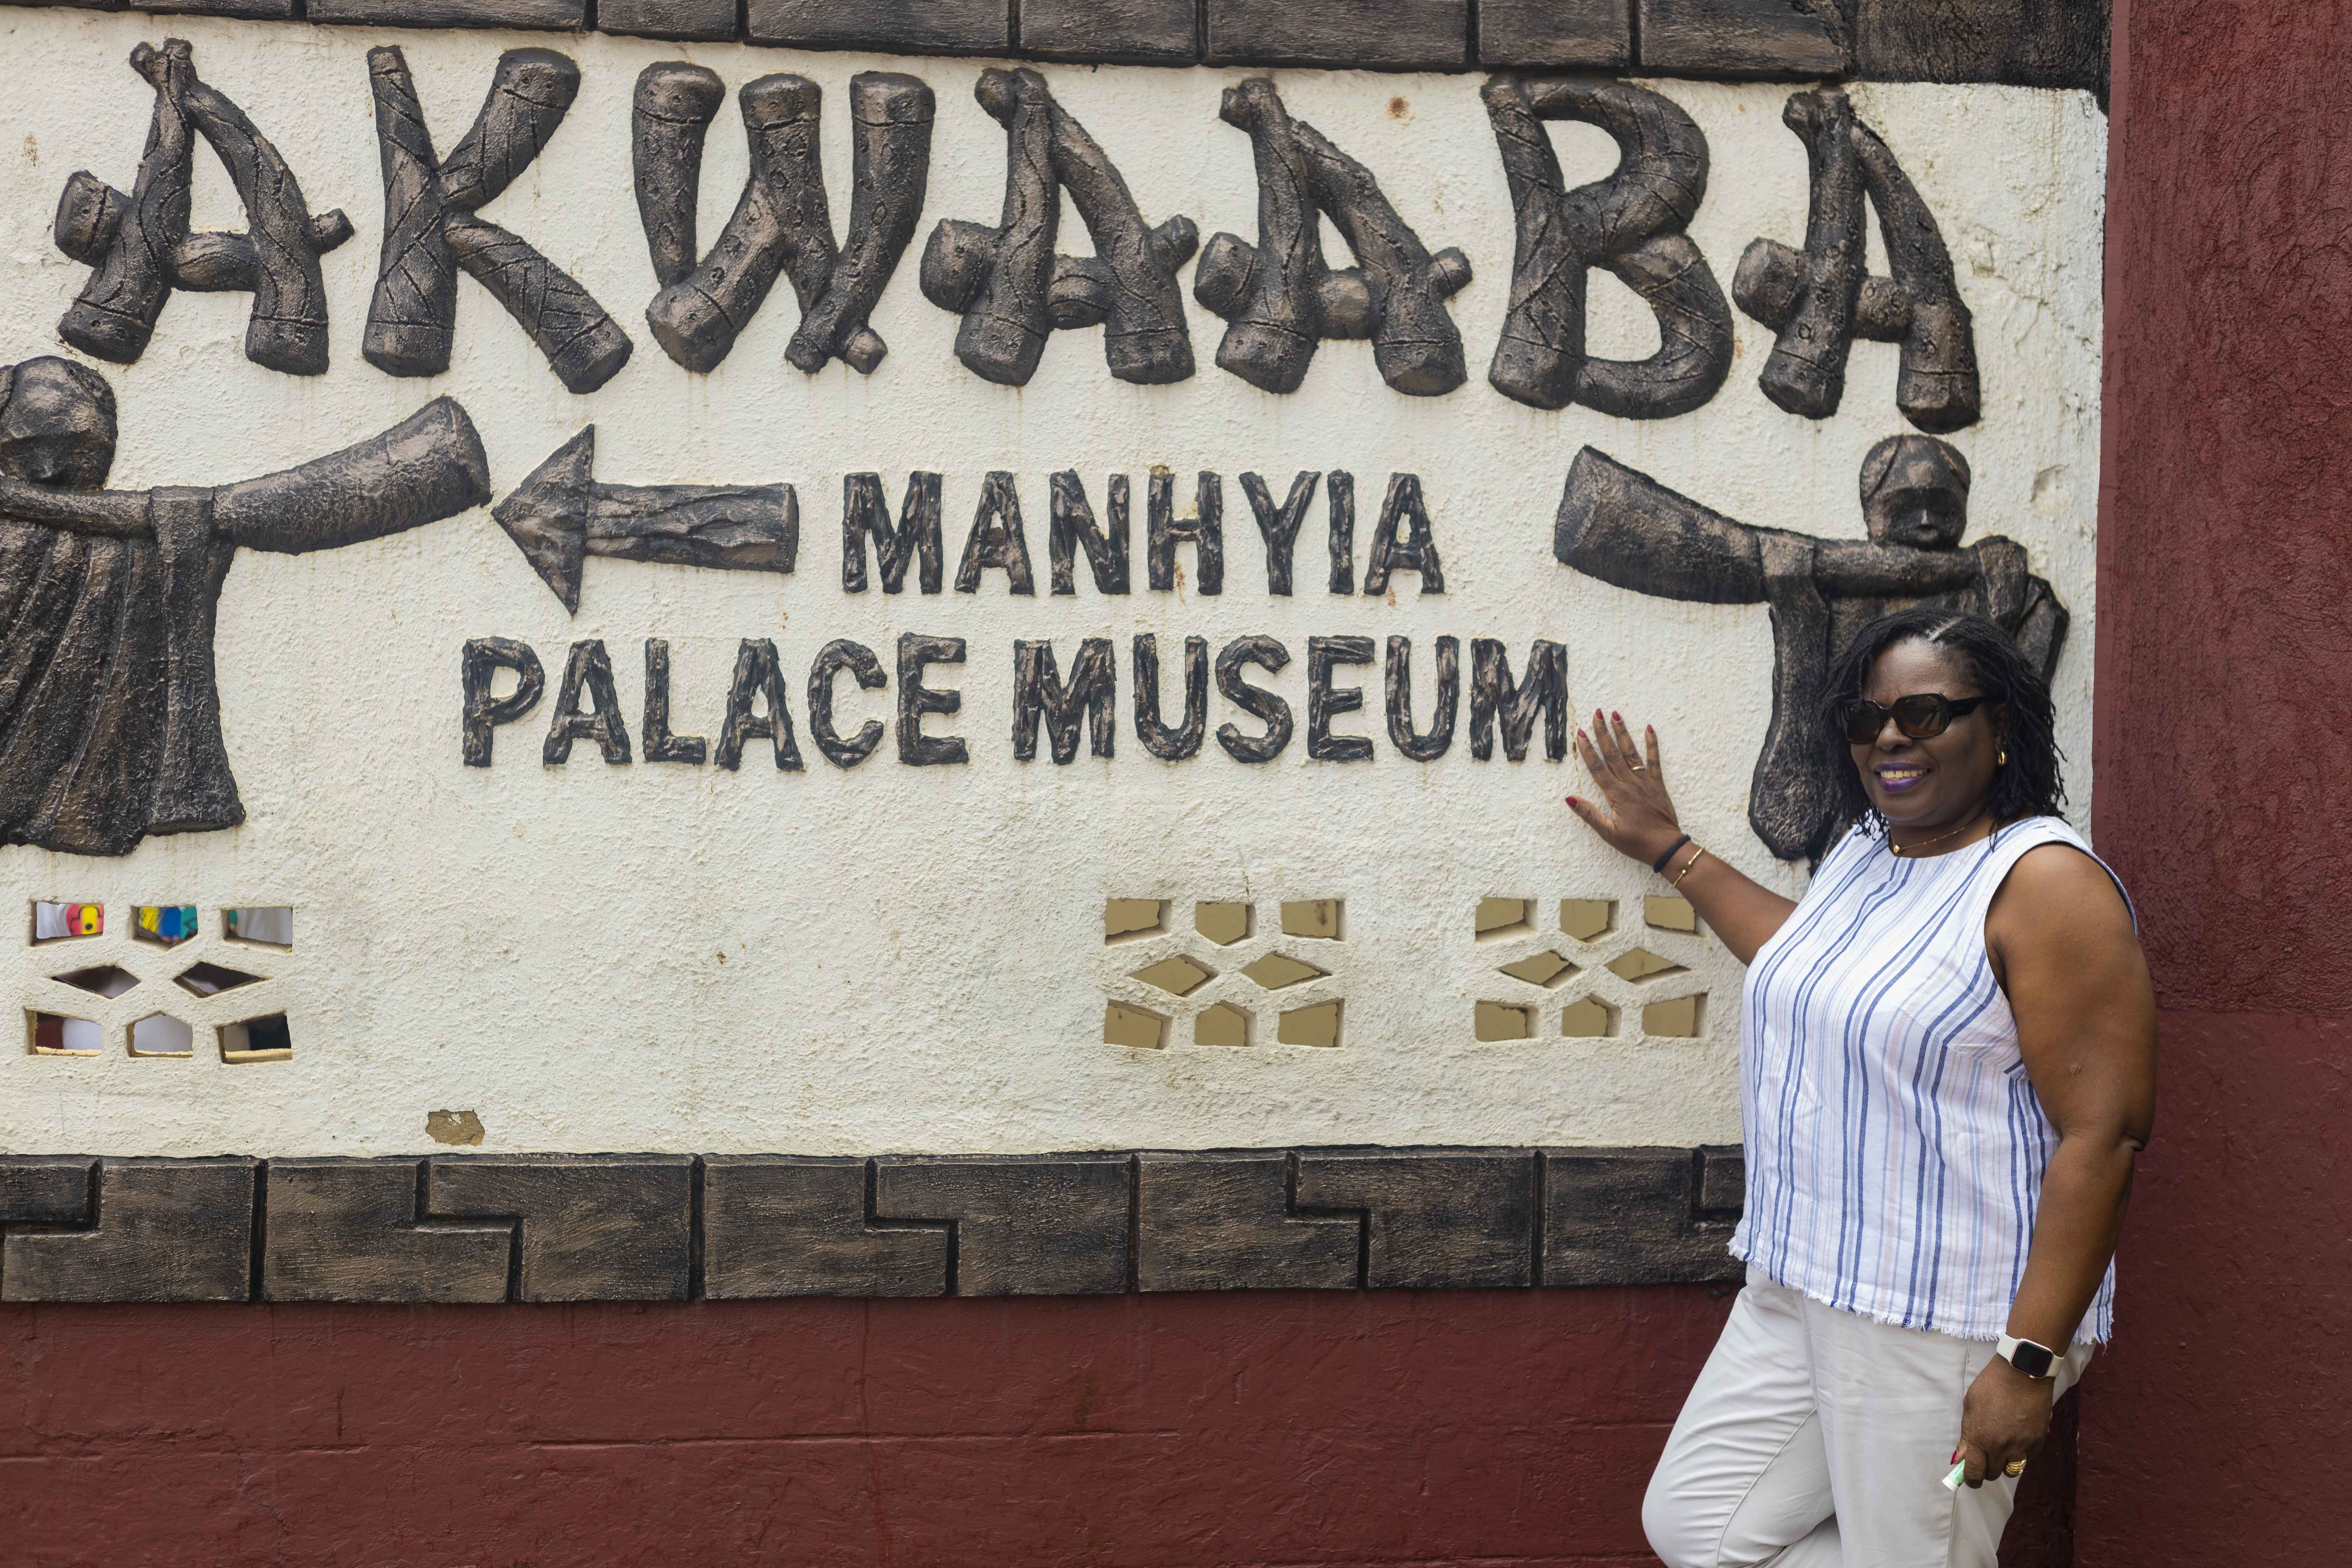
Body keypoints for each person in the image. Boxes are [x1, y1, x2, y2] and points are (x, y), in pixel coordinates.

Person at [1564, 606, 2155, 1566]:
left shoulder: (2045, 885)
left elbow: (2106, 1133)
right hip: (1809, 1281)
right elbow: (1809, 962)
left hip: (1944, 1323)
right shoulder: (1869, 850)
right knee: (1701, 1526)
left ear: (2000, 727)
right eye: (1865, 717)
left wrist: (2027, 1364)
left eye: (1927, 713)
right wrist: (1674, 852)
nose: (1889, 736)